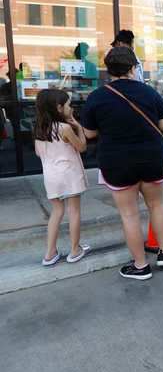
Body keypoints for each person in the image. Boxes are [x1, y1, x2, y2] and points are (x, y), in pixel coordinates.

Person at [81, 47, 163, 280]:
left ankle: (141, 266)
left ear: (108, 71)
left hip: (117, 161)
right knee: (157, 205)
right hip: (151, 157)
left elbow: (89, 133)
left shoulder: (97, 97)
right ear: (133, 68)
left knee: (129, 215)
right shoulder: (149, 92)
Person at [34, 89, 90, 266]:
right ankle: (75, 250)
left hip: (51, 176)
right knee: (74, 211)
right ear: (59, 108)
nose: (70, 107)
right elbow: (81, 147)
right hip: (69, 174)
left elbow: (38, 153)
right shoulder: (65, 128)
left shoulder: (39, 129)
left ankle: (50, 253)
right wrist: (79, 127)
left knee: (56, 212)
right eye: (68, 105)